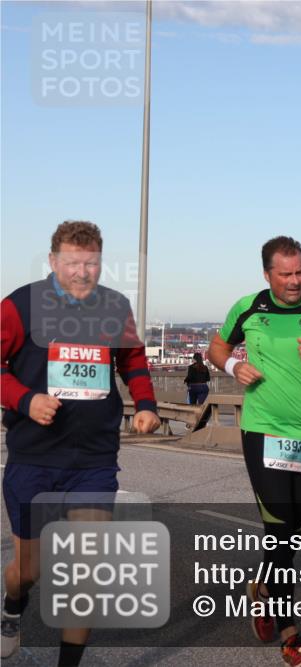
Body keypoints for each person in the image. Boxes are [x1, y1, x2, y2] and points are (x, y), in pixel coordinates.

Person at [0, 221, 161, 665]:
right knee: (26, 572)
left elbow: (131, 359)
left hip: (93, 459)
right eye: (72, 263)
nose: (81, 272)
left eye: (90, 263)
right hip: (35, 457)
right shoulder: (20, 306)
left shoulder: (114, 307)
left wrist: (145, 403)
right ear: (53, 261)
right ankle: (12, 605)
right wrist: (25, 399)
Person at [207, 236, 301, 667]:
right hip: (262, 430)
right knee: (277, 528)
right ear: (267, 274)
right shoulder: (248, 308)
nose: (295, 282)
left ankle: (262, 587)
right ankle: (290, 633)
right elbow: (216, 348)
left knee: (292, 530)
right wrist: (234, 366)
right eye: (286, 274)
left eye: (300, 273)